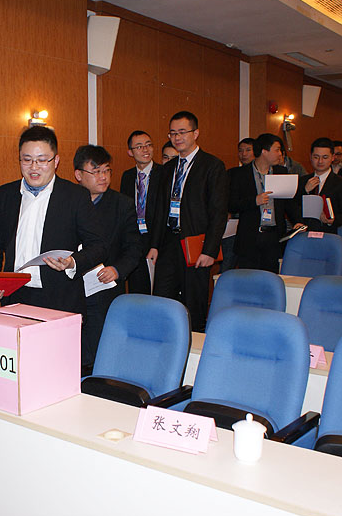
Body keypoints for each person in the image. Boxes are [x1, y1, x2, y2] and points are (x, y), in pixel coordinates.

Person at [0, 125, 106, 315]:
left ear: (56, 161)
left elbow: (98, 246)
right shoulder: (6, 194)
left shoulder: (75, 196)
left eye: (41, 160)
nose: (34, 167)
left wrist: (72, 262)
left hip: (60, 298)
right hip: (15, 296)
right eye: (27, 160)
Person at [147, 111, 228, 332]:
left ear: (196, 133)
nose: (177, 137)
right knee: (162, 298)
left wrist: (210, 250)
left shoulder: (212, 166)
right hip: (168, 243)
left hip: (196, 244)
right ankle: (165, 340)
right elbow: (160, 210)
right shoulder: (168, 168)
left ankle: (194, 343)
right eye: (173, 133)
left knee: (194, 302)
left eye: (182, 132)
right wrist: (154, 245)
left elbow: (218, 212)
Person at [75, 145, 141, 370]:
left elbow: (134, 248)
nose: (103, 177)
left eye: (106, 171)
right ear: (79, 175)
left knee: (99, 351)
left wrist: (117, 269)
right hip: (73, 290)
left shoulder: (122, 204)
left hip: (104, 289)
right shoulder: (67, 201)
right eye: (96, 172)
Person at [229, 133, 302, 273]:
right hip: (250, 237)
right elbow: (231, 204)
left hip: (274, 237)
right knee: (249, 278)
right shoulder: (240, 174)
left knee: (271, 277)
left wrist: (297, 221)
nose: (280, 154)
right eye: (277, 150)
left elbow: (289, 202)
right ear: (264, 151)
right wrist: (254, 201)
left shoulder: (281, 172)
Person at [120, 130, 164, 294]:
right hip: (135, 239)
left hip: (157, 239)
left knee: (158, 289)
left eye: (148, 145)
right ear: (130, 152)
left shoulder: (164, 173)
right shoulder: (127, 176)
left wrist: (155, 244)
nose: (145, 150)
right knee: (137, 288)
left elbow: (163, 212)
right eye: (139, 147)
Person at [295, 137, 342, 233]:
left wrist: (333, 220)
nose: (320, 161)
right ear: (310, 157)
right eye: (316, 157)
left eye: (325, 157)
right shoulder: (303, 180)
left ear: (332, 157)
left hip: (328, 233)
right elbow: (294, 207)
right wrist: (305, 191)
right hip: (305, 233)